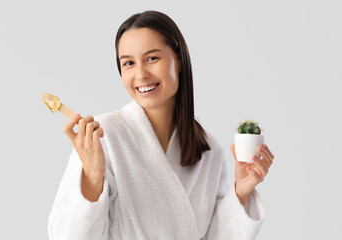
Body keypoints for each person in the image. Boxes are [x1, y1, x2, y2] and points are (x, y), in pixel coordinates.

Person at [48, 10, 275, 240]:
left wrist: (240, 193)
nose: (141, 74)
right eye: (128, 63)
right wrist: (93, 177)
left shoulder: (208, 151)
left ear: (178, 60)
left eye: (152, 58)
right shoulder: (102, 137)